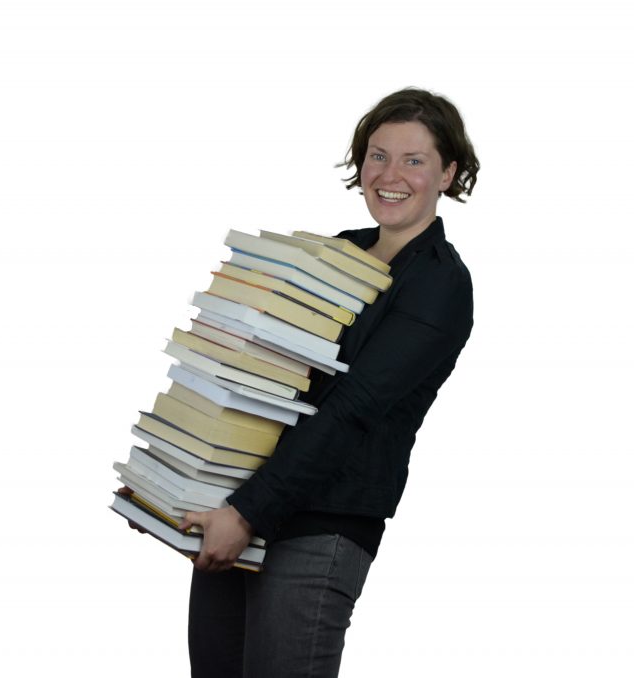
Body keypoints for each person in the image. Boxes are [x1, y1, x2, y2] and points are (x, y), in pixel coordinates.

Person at [180, 87, 479, 678]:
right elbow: (265, 377)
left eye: (414, 160)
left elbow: (354, 409)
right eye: (377, 155)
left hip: (321, 525)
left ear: (448, 172)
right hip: (242, 500)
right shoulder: (335, 255)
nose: (389, 175)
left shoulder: (440, 285)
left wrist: (245, 515)